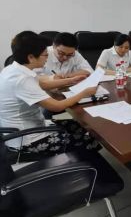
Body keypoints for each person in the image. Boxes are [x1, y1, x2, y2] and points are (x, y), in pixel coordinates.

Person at [0, 32, 99, 161]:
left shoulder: (14, 69)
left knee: (81, 126)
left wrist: (71, 80)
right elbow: (56, 107)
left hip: (30, 128)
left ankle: (82, 160)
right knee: (88, 137)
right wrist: (84, 93)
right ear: (31, 57)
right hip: (27, 141)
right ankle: (90, 170)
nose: (47, 58)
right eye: (45, 55)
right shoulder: (22, 80)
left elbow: (42, 84)